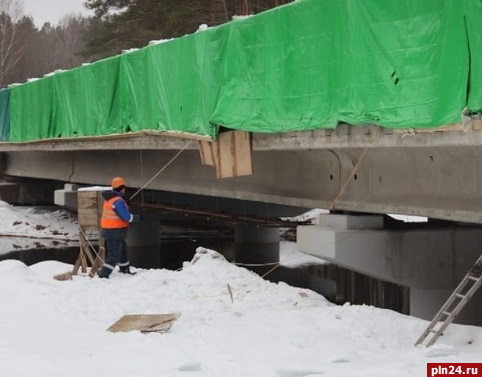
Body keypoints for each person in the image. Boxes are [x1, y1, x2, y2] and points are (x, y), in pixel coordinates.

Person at [98, 177, 140, 279]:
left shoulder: (112, 199)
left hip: (114, 231)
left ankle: (124, 269)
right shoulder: (117, 201)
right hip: (114, 231)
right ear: (122, 188)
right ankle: (104, 274)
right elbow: (126, 217)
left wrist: (125, 204)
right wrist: (139, 218)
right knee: (114, 255)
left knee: (123, 252)